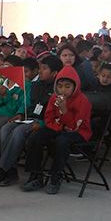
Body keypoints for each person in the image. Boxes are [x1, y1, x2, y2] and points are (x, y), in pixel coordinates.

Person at [0, 55, 63, 187]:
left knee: (18, 132)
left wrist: (40, 123)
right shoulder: (35, 86)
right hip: (28, 118)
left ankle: (2, 169)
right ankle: (10, 170)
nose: (40, 71)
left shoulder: (58, 88)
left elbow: (57, 114)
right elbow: (26, 104)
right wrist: (20, 114)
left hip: (44, 122)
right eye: (40, 68)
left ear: (54, 73)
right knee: (6, 128)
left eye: (44, 69)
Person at [22, 66, 92, 194]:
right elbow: (48, 118)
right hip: (58, 126)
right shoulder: (54, 98)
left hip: (78, 131)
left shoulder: (82, 101)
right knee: (36, 137)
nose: (63, 90)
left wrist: (64, 111)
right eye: (59, 86)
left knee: (61, 141)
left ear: (75, 86)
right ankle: (36, 175)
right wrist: (58, 127)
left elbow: (75, 126)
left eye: (67, 86)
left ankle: (56, 177)